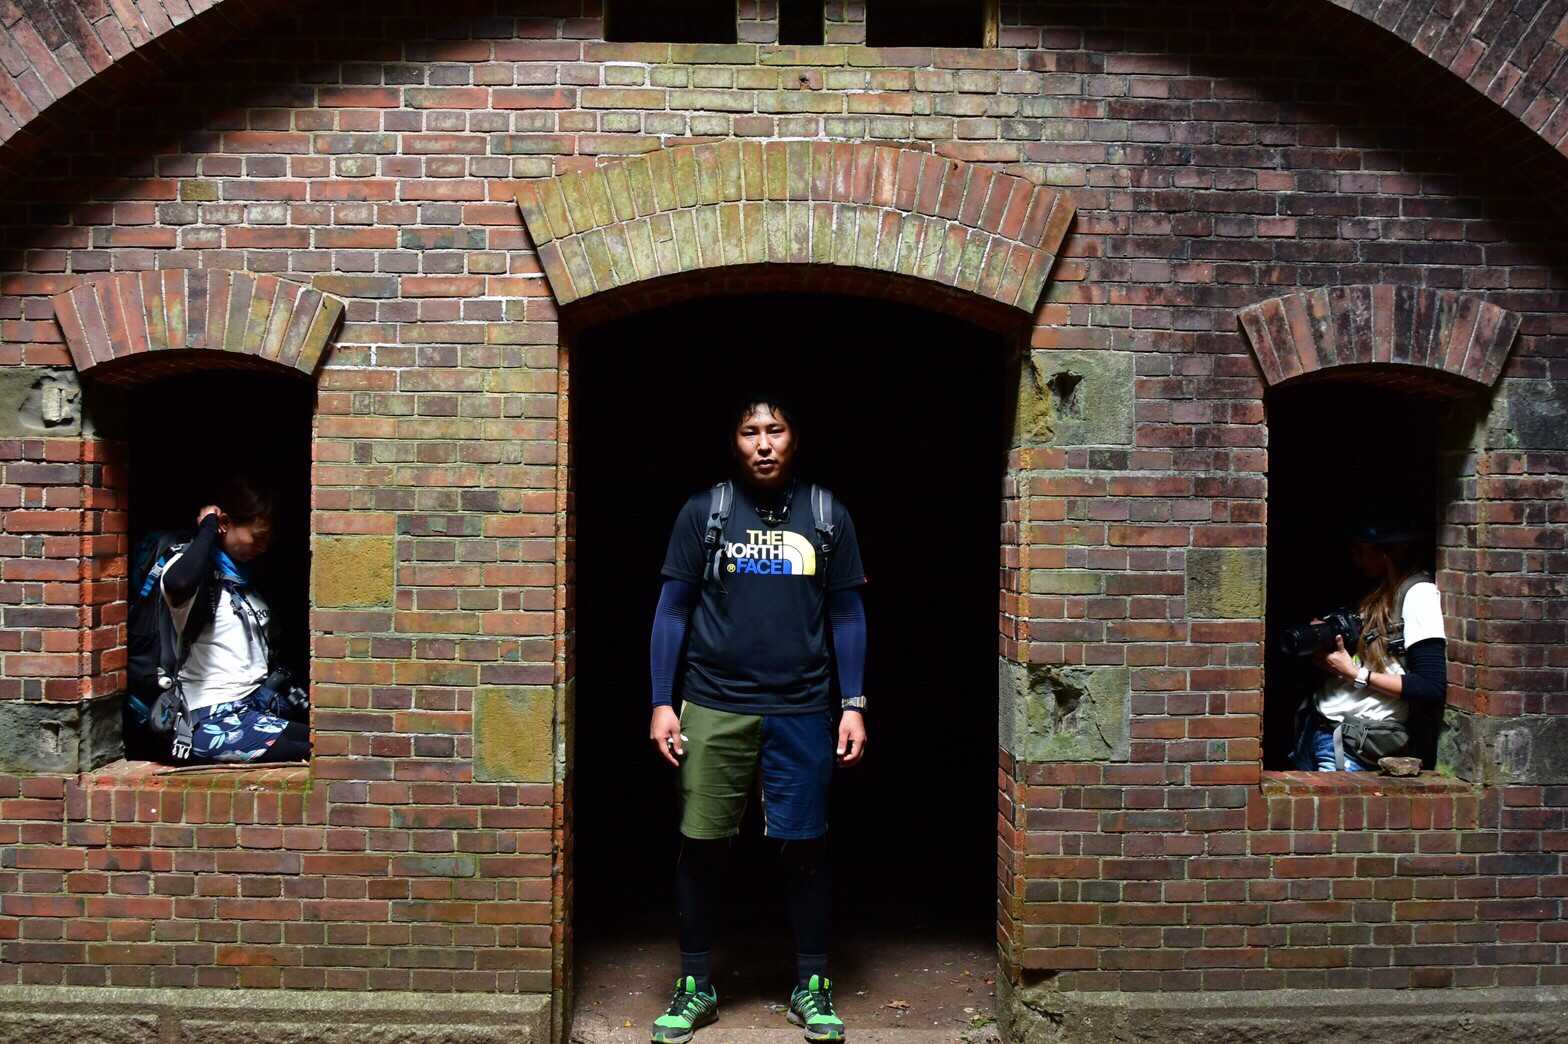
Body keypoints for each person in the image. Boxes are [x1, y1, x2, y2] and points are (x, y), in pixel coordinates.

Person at [647, 394, 868, 1044]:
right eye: (750, 431)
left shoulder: (826, 514)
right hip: (713, 704)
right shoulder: (704, 512)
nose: (764, 443)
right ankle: (695, 985)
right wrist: (661, 701)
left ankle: (812, 984)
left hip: (802, 706)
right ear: (734, 440)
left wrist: (853, 704)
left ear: (795, 438)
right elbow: (672, 609)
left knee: (806, 847)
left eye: (776, 429)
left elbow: (847, 614)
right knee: (701, 846)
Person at [158, 476, 309, 764]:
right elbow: (179, 583)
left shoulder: (242, 578)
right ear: (226, 523)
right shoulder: (190, 571)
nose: (263, 547)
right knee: (321, 752)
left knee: (329, 741)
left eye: (268, 538)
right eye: (258, 537)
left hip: (253, 709)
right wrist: (208, 526)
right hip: (209, 718)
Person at [1290, 521, 1447, 772]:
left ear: (1385, 553)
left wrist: (1354, 674)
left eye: (1360, 550)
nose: (1355, 558)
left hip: (1355, 744)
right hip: (1318, 730)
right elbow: (1380, 661)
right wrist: (1332, 655)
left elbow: (1430, 686)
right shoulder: (1377, 589)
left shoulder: (1419, 594)